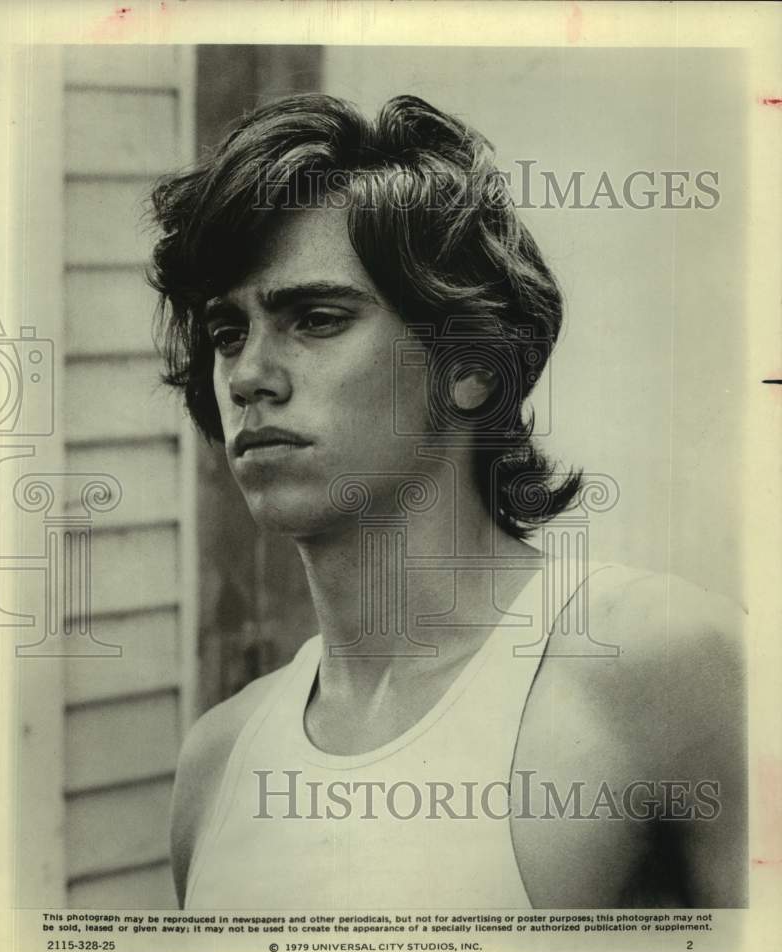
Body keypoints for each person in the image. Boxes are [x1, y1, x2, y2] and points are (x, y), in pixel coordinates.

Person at [148, 93, 745, 910]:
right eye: (225, 333)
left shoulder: (659, 668)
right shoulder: (217, 764)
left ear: (470, 364)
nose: (248, 374)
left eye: (315, 319)